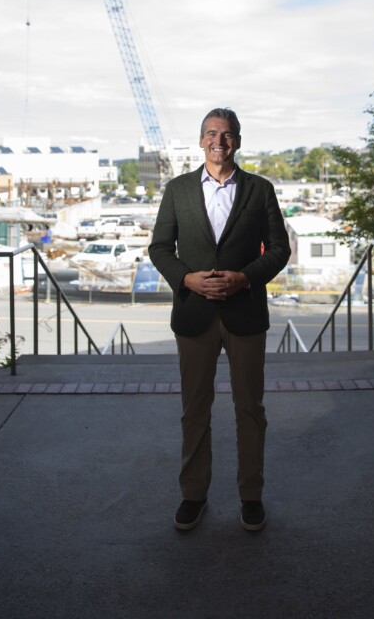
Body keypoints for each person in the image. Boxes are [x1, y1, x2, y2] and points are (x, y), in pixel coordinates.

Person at [149, 107, 291, 532]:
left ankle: (251, 495)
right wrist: (186, 279)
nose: (219, 141)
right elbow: (160, 248)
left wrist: (245, 278)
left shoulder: (260, 190)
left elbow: (280, 249)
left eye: (226, 134)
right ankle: (193, 494)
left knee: (250, 409)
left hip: (245, 313)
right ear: (201, 141)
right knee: (195, 409)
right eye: (211, 133)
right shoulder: (177, 189)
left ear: (238, 141)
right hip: (194, 315)